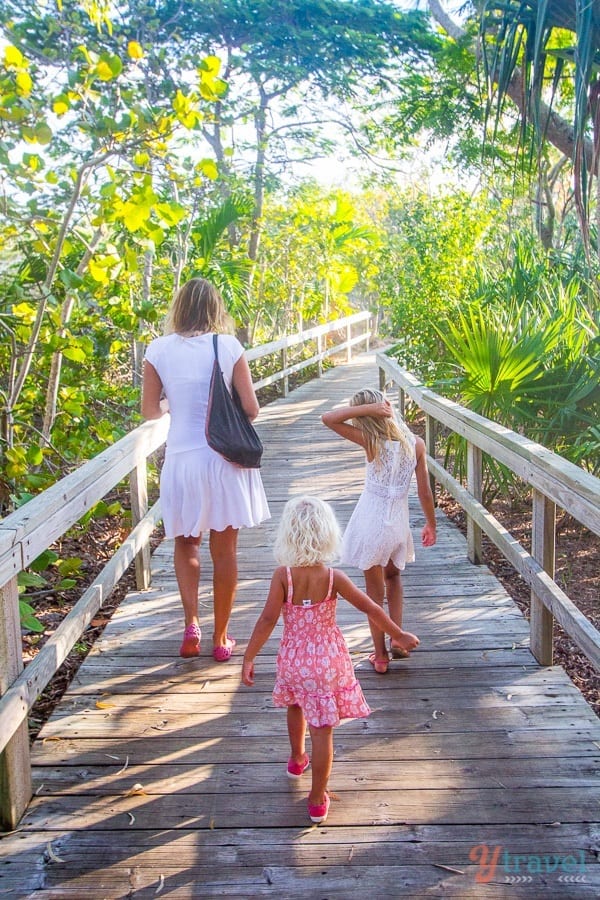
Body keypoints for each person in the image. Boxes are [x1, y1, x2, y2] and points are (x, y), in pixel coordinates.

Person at [241, 496, 418, 825]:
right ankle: (317, 798)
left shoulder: (284, 576)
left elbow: (266, 620)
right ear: (328, 535)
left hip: (294, 660)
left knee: (295, 704)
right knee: (323, 731)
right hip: (327, 661)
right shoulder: (334, 577)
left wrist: (249, 656)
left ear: (288, 535)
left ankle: (296, 759)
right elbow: (372, 608)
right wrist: (398, 634)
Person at [141, 277, 270, 662]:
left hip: (182, 460)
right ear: (216, 309)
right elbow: (251, 409)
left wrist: (169, 405)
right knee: (225, 550)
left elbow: (150, 410)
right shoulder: (228, 346)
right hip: (223, 460)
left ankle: (191, 624)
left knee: (186, 543)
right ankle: (221, 637)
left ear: (178, 307)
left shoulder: (158, 349)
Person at [321, 388, 436, 674]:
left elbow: (329, 418)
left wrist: (365, 411)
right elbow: (424, 492)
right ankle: (398, 638)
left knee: (374, 592)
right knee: (394, 578)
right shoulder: (416, 443)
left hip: (371, 522)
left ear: (369, 417)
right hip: (398, 523)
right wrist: (430, 523)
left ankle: (381, 654)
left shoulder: (372, 440)